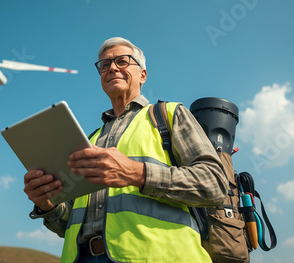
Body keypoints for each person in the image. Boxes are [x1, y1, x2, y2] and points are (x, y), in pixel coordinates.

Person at [23, 37, 228, 263]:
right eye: (104, 64)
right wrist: (47, 205)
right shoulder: (88, 141)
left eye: (122, 61)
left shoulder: (168, 115)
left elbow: (215, 184)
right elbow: (67, 226)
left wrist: (137, 173)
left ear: (142, 75)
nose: (111, 67)